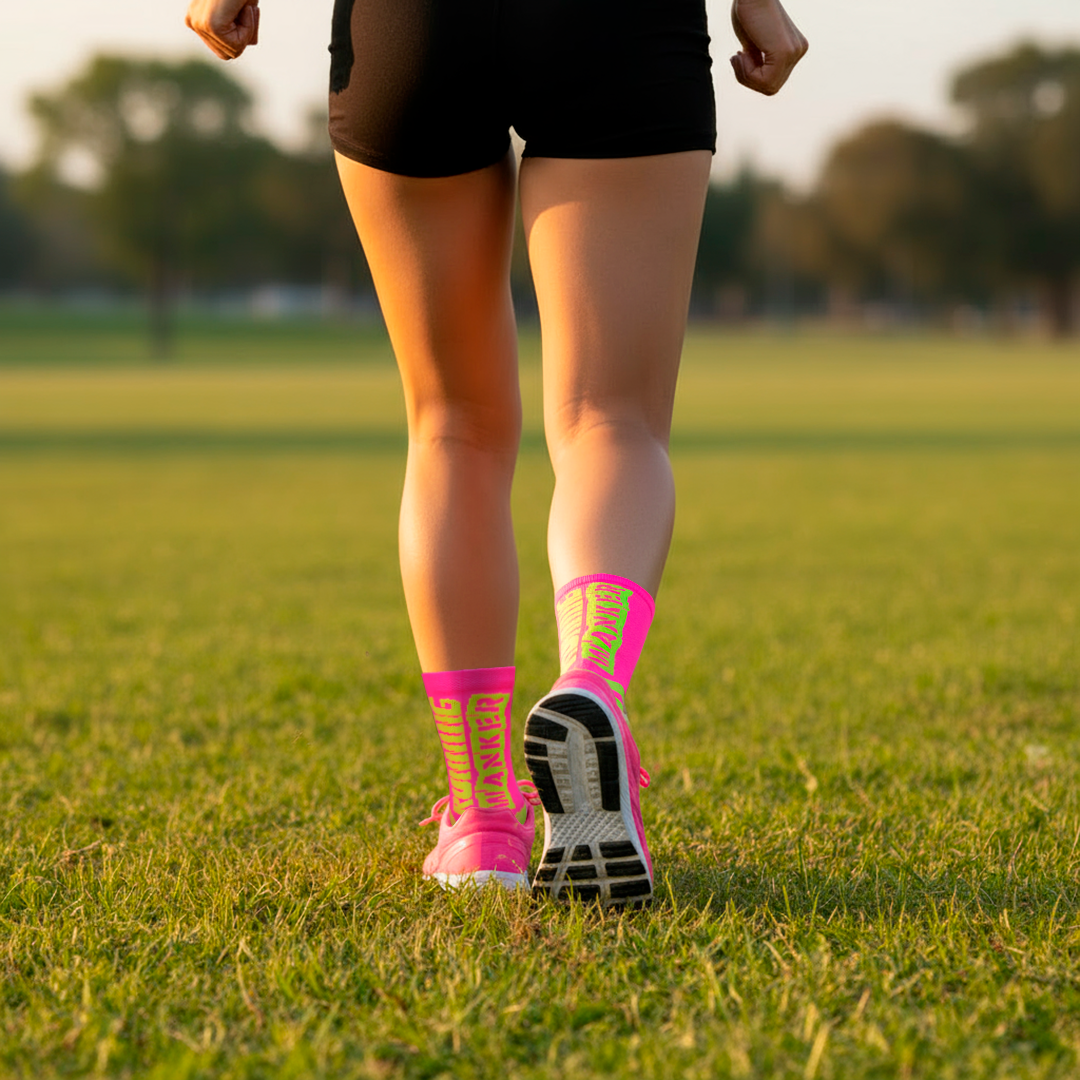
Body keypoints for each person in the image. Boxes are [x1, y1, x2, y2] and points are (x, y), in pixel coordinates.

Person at [186, 0, 807, 906]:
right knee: (611, 419)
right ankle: (592, 680)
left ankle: (483, 821)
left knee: (452, 425)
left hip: (414, 23)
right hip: (615, 25)